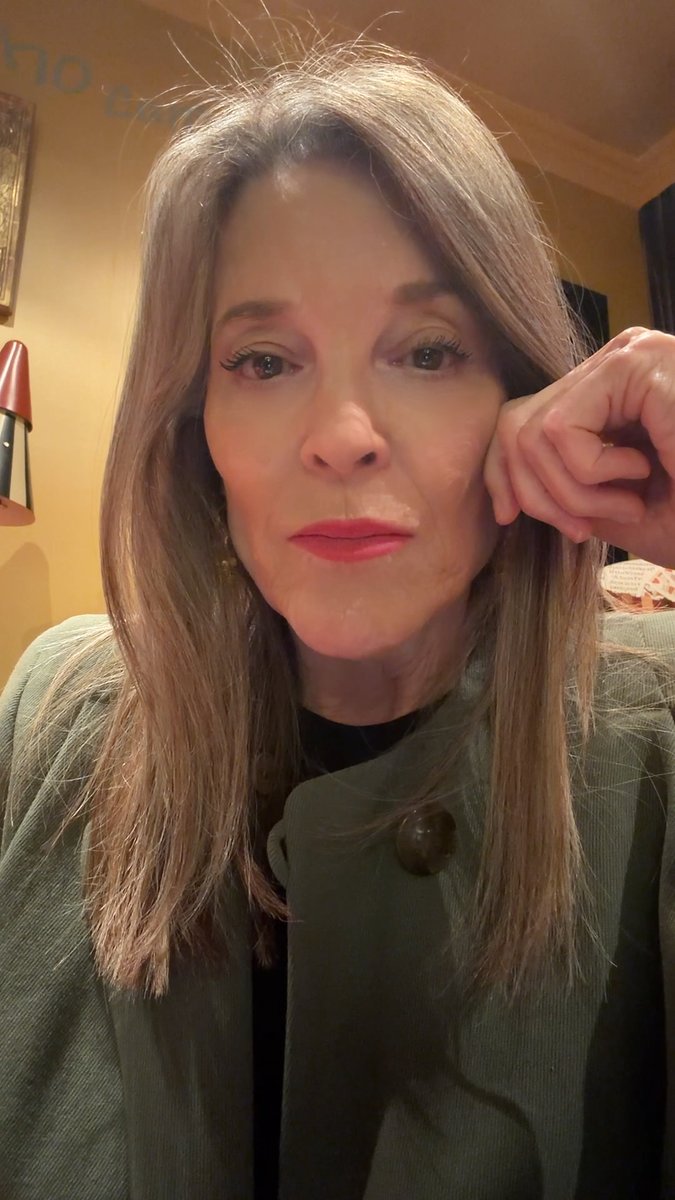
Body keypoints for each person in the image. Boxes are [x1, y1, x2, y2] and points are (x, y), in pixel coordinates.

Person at [1, 39, 674, 1200]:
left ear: (527, 392)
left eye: (428, 350)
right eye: (264, 361)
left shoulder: (655, 739)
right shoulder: (57, 708)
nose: (344, 435)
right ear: (195, 430)